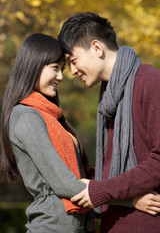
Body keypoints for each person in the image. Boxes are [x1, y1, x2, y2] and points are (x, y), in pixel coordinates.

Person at [58, 12, 160, 232]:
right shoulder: (109, 96)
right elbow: (111, 170)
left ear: (97, 48)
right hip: (114, 223)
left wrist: (102, 190)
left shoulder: (151, 83)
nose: (73, 71)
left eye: (73, 61)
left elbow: (157, 161)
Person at [0, 33, 96, 233]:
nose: (61, 76)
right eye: (55, 68)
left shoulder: (51, 117)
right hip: (52, 226)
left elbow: (77, 174)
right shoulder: (26, 116)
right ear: (34, 66)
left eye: (62, 69)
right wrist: (126, 201)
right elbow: (63, 182)